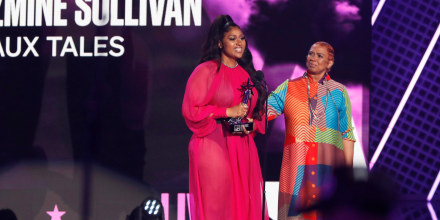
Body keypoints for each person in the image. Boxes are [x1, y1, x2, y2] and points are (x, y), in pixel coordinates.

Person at [182, 15, 268, 220]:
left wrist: (252, 124)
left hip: (242, 147)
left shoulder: (248, 74)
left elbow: (259, 112)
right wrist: (227, 112)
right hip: (213, 144)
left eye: (242, 38)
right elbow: (191, 110)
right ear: (220, 43)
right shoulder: (206, 71)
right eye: (232, 38)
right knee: (219, 206)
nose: (239, 43)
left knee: (243, 207)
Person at [267, 41, 356, 220]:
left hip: (328, 167)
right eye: (310, 54)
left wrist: (347, 175)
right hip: (296, 167)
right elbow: (263, 112)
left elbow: (346, 134)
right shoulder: (289, 87)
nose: (312, 58)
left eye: (319, 55)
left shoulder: (339, 92)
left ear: (329, 63)